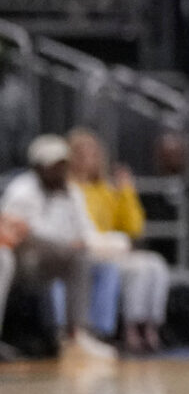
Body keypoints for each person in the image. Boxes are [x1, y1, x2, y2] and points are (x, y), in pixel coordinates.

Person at [0, 136, 118, 362]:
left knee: (83, 259)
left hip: (54, 259)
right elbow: (18, 231)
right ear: (38, 167)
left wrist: (107, 243)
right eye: (54, 166)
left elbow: (86, 232)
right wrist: (67, 243)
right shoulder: (22, 190)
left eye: (63, 165)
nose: (59, 171)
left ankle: (76, 335)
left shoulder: (72, 193)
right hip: (23, 260)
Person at [67, 128, 170, 353]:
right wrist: (112, 243)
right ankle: (130, 329)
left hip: (112, 247)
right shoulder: (70, 190)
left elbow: (134, 227)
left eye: (94, 154)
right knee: (137, 270)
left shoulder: (104, 189)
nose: (89, 160)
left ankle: (151, 327)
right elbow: (81, 230)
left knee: (156, 265)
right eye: (83, 154)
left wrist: (126, 191)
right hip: (91, 249)